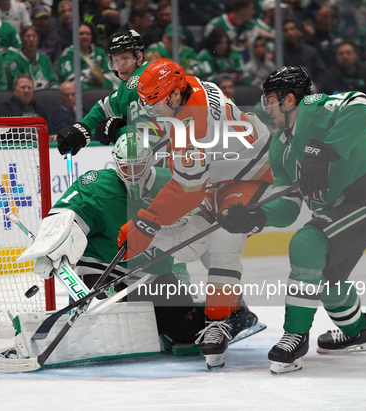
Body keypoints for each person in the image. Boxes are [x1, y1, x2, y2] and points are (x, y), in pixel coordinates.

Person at [216, 66, 366, 374]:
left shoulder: (311, 108)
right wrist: (256, 216)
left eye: (270, 101)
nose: (267, 109)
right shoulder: (279, 148)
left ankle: (295, 335)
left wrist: (325, 148)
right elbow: (288, 206)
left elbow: (363, 106)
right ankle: (358, 331)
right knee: (327, 278)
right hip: (343, 207)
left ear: (290, 99)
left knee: (307, 242)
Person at [119, 58, 273, 369]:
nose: (152, 110)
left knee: (221, 241)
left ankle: (219, 319)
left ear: (175, 95)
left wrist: (146, 223)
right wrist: (149, 229)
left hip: (251, 174)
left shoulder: (193, 127)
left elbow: (186, 191)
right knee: (188, 243)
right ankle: (238, 308)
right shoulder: (188, 86)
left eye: (156, 102)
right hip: (220, 174)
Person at [7, 133, 206, 362]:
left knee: (186, 328)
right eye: (125, 167)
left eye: (138, 166)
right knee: (106, 322)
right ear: (115, 162)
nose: (132, 174)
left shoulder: (170, 184)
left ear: (150, 160)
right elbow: (64, 216)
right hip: (101, 270)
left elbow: (198, 221)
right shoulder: (96, 185)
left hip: (150, 274)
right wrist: (49, 248)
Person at [56, 30, 161, 161]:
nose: (120, 65)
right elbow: (107, 106)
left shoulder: (143, 80)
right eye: (115, 60)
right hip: (144, 159)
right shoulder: (128, 81)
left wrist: (116, 132)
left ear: (139, 57)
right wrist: (83, 128)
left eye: (125, 58)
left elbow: (151, 132)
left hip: (160, 159)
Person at [57, 22, 117, 90]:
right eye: (81, 34)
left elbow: (112, 75)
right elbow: (70, 79)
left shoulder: (100, 52)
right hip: (81, 93)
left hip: (102, 91)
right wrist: (89, 91)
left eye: (88, 34)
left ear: (92, 36)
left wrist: (103, 81)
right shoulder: (68, 54)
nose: (84, 36)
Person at [3, 26, 57, 90]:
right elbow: (17, 85)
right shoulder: (15, 61)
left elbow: (54, 80)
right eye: (28, 36)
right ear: (22, 40)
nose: (31, 39)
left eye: (34, 36)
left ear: (38, 40)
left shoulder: (45, 58)